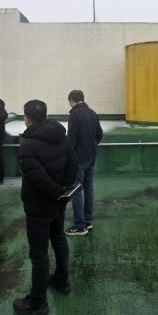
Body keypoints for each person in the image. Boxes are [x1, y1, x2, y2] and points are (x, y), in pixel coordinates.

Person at [12, 99, 77, 315]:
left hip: (39, 206)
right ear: (46, 116)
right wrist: (63, 192)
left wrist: (57, 193)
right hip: (58, 203)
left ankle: (38, 301)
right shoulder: (62, 136)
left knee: (39, 253)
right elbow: (73, 164)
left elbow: (37, 179)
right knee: (58, 239)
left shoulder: (27, 146)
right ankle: (61, 280)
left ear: (27, 118)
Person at [65, 90, 103, 236]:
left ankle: (79, 226)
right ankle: (88, 221)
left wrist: (68, 156)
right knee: (88, 189)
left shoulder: (75, 114)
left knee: (76, 191)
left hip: (78, 159)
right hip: (91, 157)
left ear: (71, 100)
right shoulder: (92, 113)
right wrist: (91, 145)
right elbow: (99, 134)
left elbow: (71, 138)